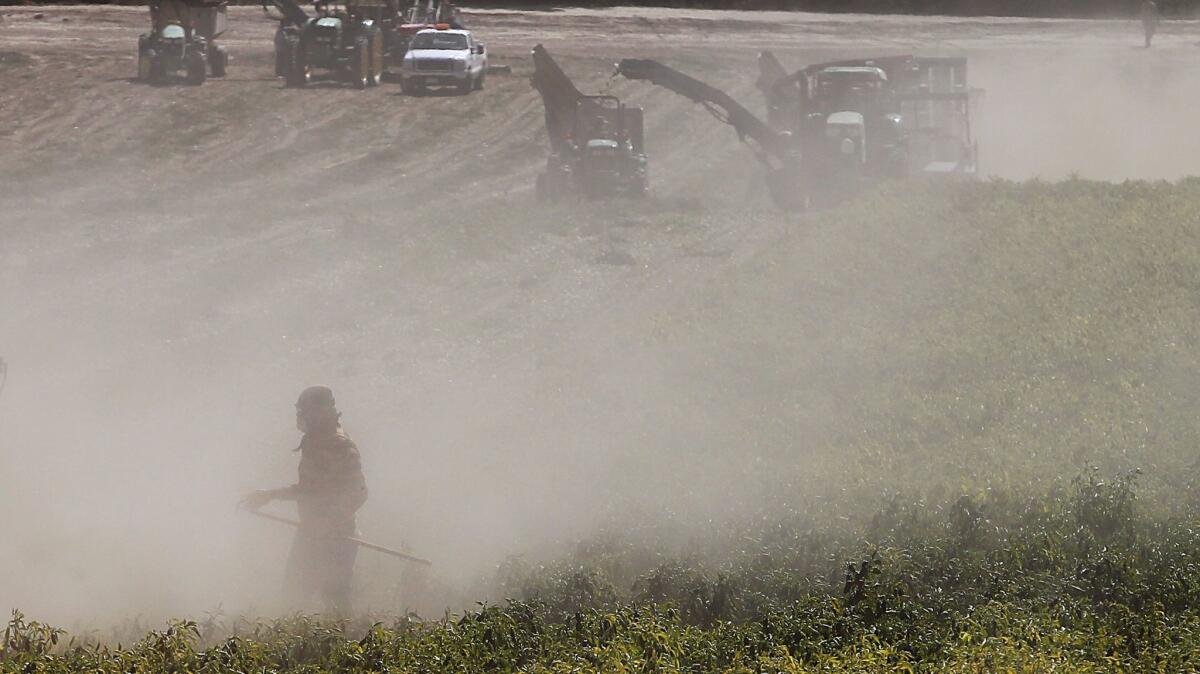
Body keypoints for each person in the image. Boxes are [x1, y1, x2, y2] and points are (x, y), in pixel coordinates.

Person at [241, 386, 368, 614]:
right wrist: (269, 495)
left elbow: (358, 492)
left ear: (322, 412)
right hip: (311, 534)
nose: (302, 417)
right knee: (292, 600)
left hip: (337, 539)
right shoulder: (314, 441)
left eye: (306, 412)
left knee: (335, 607)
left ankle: (345, 647)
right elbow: (309, 490)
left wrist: (329, 522)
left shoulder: (340, 445)